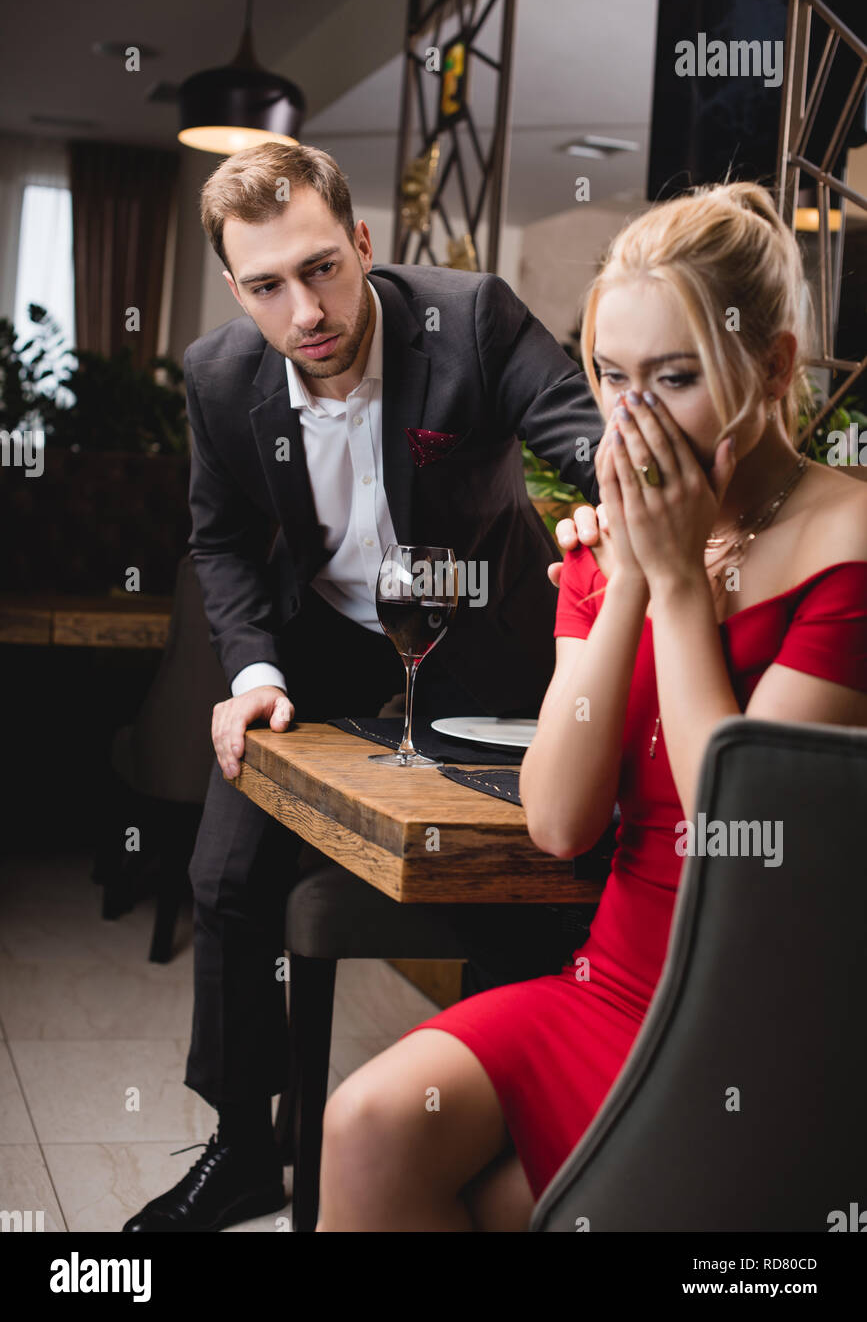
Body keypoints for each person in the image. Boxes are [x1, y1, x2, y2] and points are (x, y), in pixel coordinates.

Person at [316, 181, 867, 1232]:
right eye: (611, 376)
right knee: (370, 1128)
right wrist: (624, 584)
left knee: (516, 1206)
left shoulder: (850, 543)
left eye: (675, 377)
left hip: (756, 1029)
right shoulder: (601, 553)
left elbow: (745, 844)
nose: (633, 416)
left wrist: (680, 591)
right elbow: (560, 820)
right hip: (613, 986)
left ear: (775, 368)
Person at [123, 142, 606, 1232]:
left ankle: (489, 1133)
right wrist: (250, 670)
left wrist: (628, 501)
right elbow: (225, 541)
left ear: (363, 244)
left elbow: (583, 430)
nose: (306, 309)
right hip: (321, 644)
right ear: (239, 292)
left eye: (322, 268)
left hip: (482, 623)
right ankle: (246, 1144)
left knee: (523, 872)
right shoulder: (219, 377)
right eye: (267, 286)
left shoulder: (470, 318)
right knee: (229, 872)